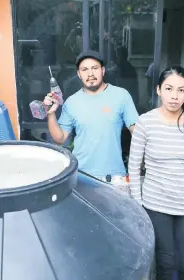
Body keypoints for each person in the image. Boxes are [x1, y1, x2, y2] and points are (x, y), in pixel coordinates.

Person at [128, 66, 184, 280]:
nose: (174, 95)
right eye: (169, 88)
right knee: (165, 261)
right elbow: (134, 166)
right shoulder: (146, 122)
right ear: (159, 90)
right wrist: (138, 202)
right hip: (156, 203)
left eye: (181, 90)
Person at [43, 50, 139, 189]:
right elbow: (60, 138)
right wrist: (51, 114)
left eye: (95, 68)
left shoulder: (121, 96)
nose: (90, 74)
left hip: (114, 177)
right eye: (85, 69)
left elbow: (136, 131)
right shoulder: (71, 102)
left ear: (103, 71)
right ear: (78, 74)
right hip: (81, 176)